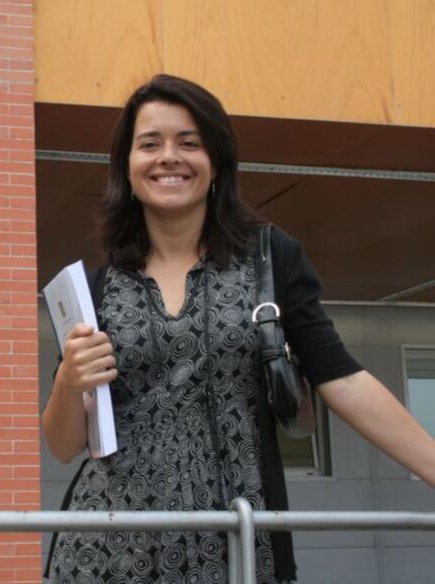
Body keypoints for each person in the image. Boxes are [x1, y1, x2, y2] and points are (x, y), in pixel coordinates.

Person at [42, 74, 435, 583]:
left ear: (217, 164)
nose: (169, 157)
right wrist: (67, 383)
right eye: (149, 144)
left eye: (189, 142)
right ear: (127, 168)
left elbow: (343, 378)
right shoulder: (96, 290)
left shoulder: (271, 260)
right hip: (107, 551)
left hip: (239, 544)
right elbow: (63, 445)